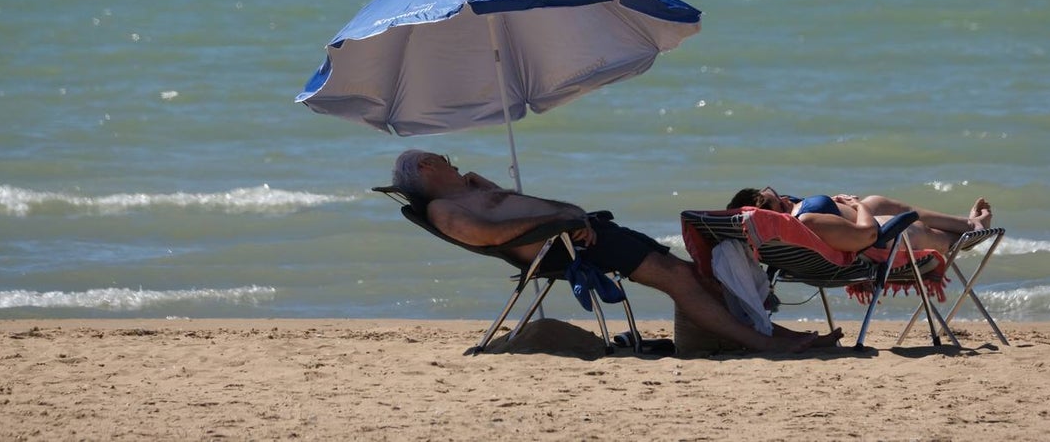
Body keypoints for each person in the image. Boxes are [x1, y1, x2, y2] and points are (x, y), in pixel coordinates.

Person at [391, 149, 843, 353]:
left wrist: (488, 187)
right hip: (569, 245)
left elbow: (504, 214)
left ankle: (777, 335)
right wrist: (561, 222)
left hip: (580, 233)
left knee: (696, 273)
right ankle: (764, 343)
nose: (453, 162)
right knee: (681, 279)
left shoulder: (464, 194)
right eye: (443, 158)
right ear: (428, 167)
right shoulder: (445, 209)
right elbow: (489, 236)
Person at [726, 186, 993, 254]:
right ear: (771, 214)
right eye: (777, 202)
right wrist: (855, 205)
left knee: (878, 200)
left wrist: (838, 203)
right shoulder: (803, 222)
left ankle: (969, 225)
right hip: (877, 241)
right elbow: (866, 234)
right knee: (910, 224)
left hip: (861, 221)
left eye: (773, 192)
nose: (783, 198)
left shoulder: (787, 217)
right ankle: (964, 241)